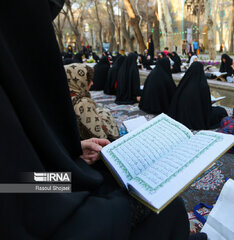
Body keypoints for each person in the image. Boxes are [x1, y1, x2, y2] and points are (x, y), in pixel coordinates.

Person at [0, 1, 194, 239]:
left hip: (34, 188)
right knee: (167, 210)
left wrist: (70, 154)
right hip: (40, 208)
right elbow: (24, 197)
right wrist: (131, 208)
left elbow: (22, 180)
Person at [65, 63, 120, 141]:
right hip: (89, 145)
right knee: (104, 112)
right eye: (88, 80)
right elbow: (99, 136)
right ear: (79, 81)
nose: (92, 83)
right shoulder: (83, 103)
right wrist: (100, 119)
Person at [168, 62, 228, 130]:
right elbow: (206, 107)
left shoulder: (184, 83)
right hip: (197, 117)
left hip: (181, 116)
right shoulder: (202, 84)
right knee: (221, 111)